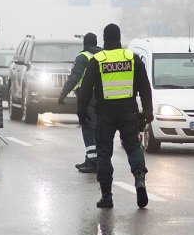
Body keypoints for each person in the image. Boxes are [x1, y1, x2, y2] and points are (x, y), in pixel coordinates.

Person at [76, 23, 153, 209]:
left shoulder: (98, 60)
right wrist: (148, 111)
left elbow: (85, 90)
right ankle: (140, 179)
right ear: (119, 38)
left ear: (104, 39)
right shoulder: (132, 58)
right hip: (129, 113)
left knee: (104, 154)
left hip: (105, 115)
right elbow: (145, 86)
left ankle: (107, 196)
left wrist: (82, 113)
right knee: (134, 148)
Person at [57, 32, 103, 173]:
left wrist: (63, 94)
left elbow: (74, 78)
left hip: (87, 96)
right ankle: (93, 159)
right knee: (97, 128)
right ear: (96, 43)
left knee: (88, 127)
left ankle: (92, 161)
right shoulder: (103, 56)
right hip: (103, 96)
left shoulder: (83, 57)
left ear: (85, 43)